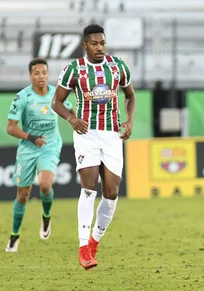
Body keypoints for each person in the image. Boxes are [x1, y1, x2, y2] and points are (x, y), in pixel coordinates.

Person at [52, 24, 136, 270]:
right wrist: (71, 118)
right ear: (85, 45)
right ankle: (82, 249)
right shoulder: (74, 70)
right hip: (86, 134)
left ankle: (94, 243)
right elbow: (56, 101)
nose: (100, 48)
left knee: (111, 193)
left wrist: (129, 120)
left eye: (103, 43)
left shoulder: (118, 66)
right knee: (88, 188)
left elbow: (130, 95)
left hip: (111, 135)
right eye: (95, 44)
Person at [5, 58, 75, 252]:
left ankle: (46, 216)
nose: (41, 76)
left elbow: (69, 110)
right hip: (29, 147)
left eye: (44, 72)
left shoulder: (56, 93)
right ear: (30, 76)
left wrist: (76, 123)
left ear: (48, 74)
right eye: (37, 73)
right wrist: (31, 137)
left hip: (50, 145)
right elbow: (10, 128)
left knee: (45, 185)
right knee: (23, 195)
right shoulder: (23, 97)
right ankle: (14, 235)